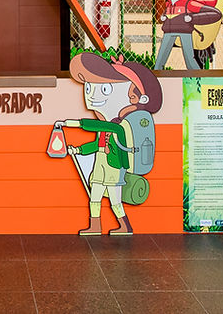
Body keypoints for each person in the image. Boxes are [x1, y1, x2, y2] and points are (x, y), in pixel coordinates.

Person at [60, 52, 162, 235]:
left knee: (115, 201)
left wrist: (74, 123)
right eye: (89, 88)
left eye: (105, 89)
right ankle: (95, 225)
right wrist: (78, 150)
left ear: (134, 96)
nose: (92, 96)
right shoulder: (104, 127)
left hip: (115, 167)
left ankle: (125, 226)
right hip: (100, 166)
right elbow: (97, 146)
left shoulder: (119, 127)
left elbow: (105, 127)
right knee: (94, 197)